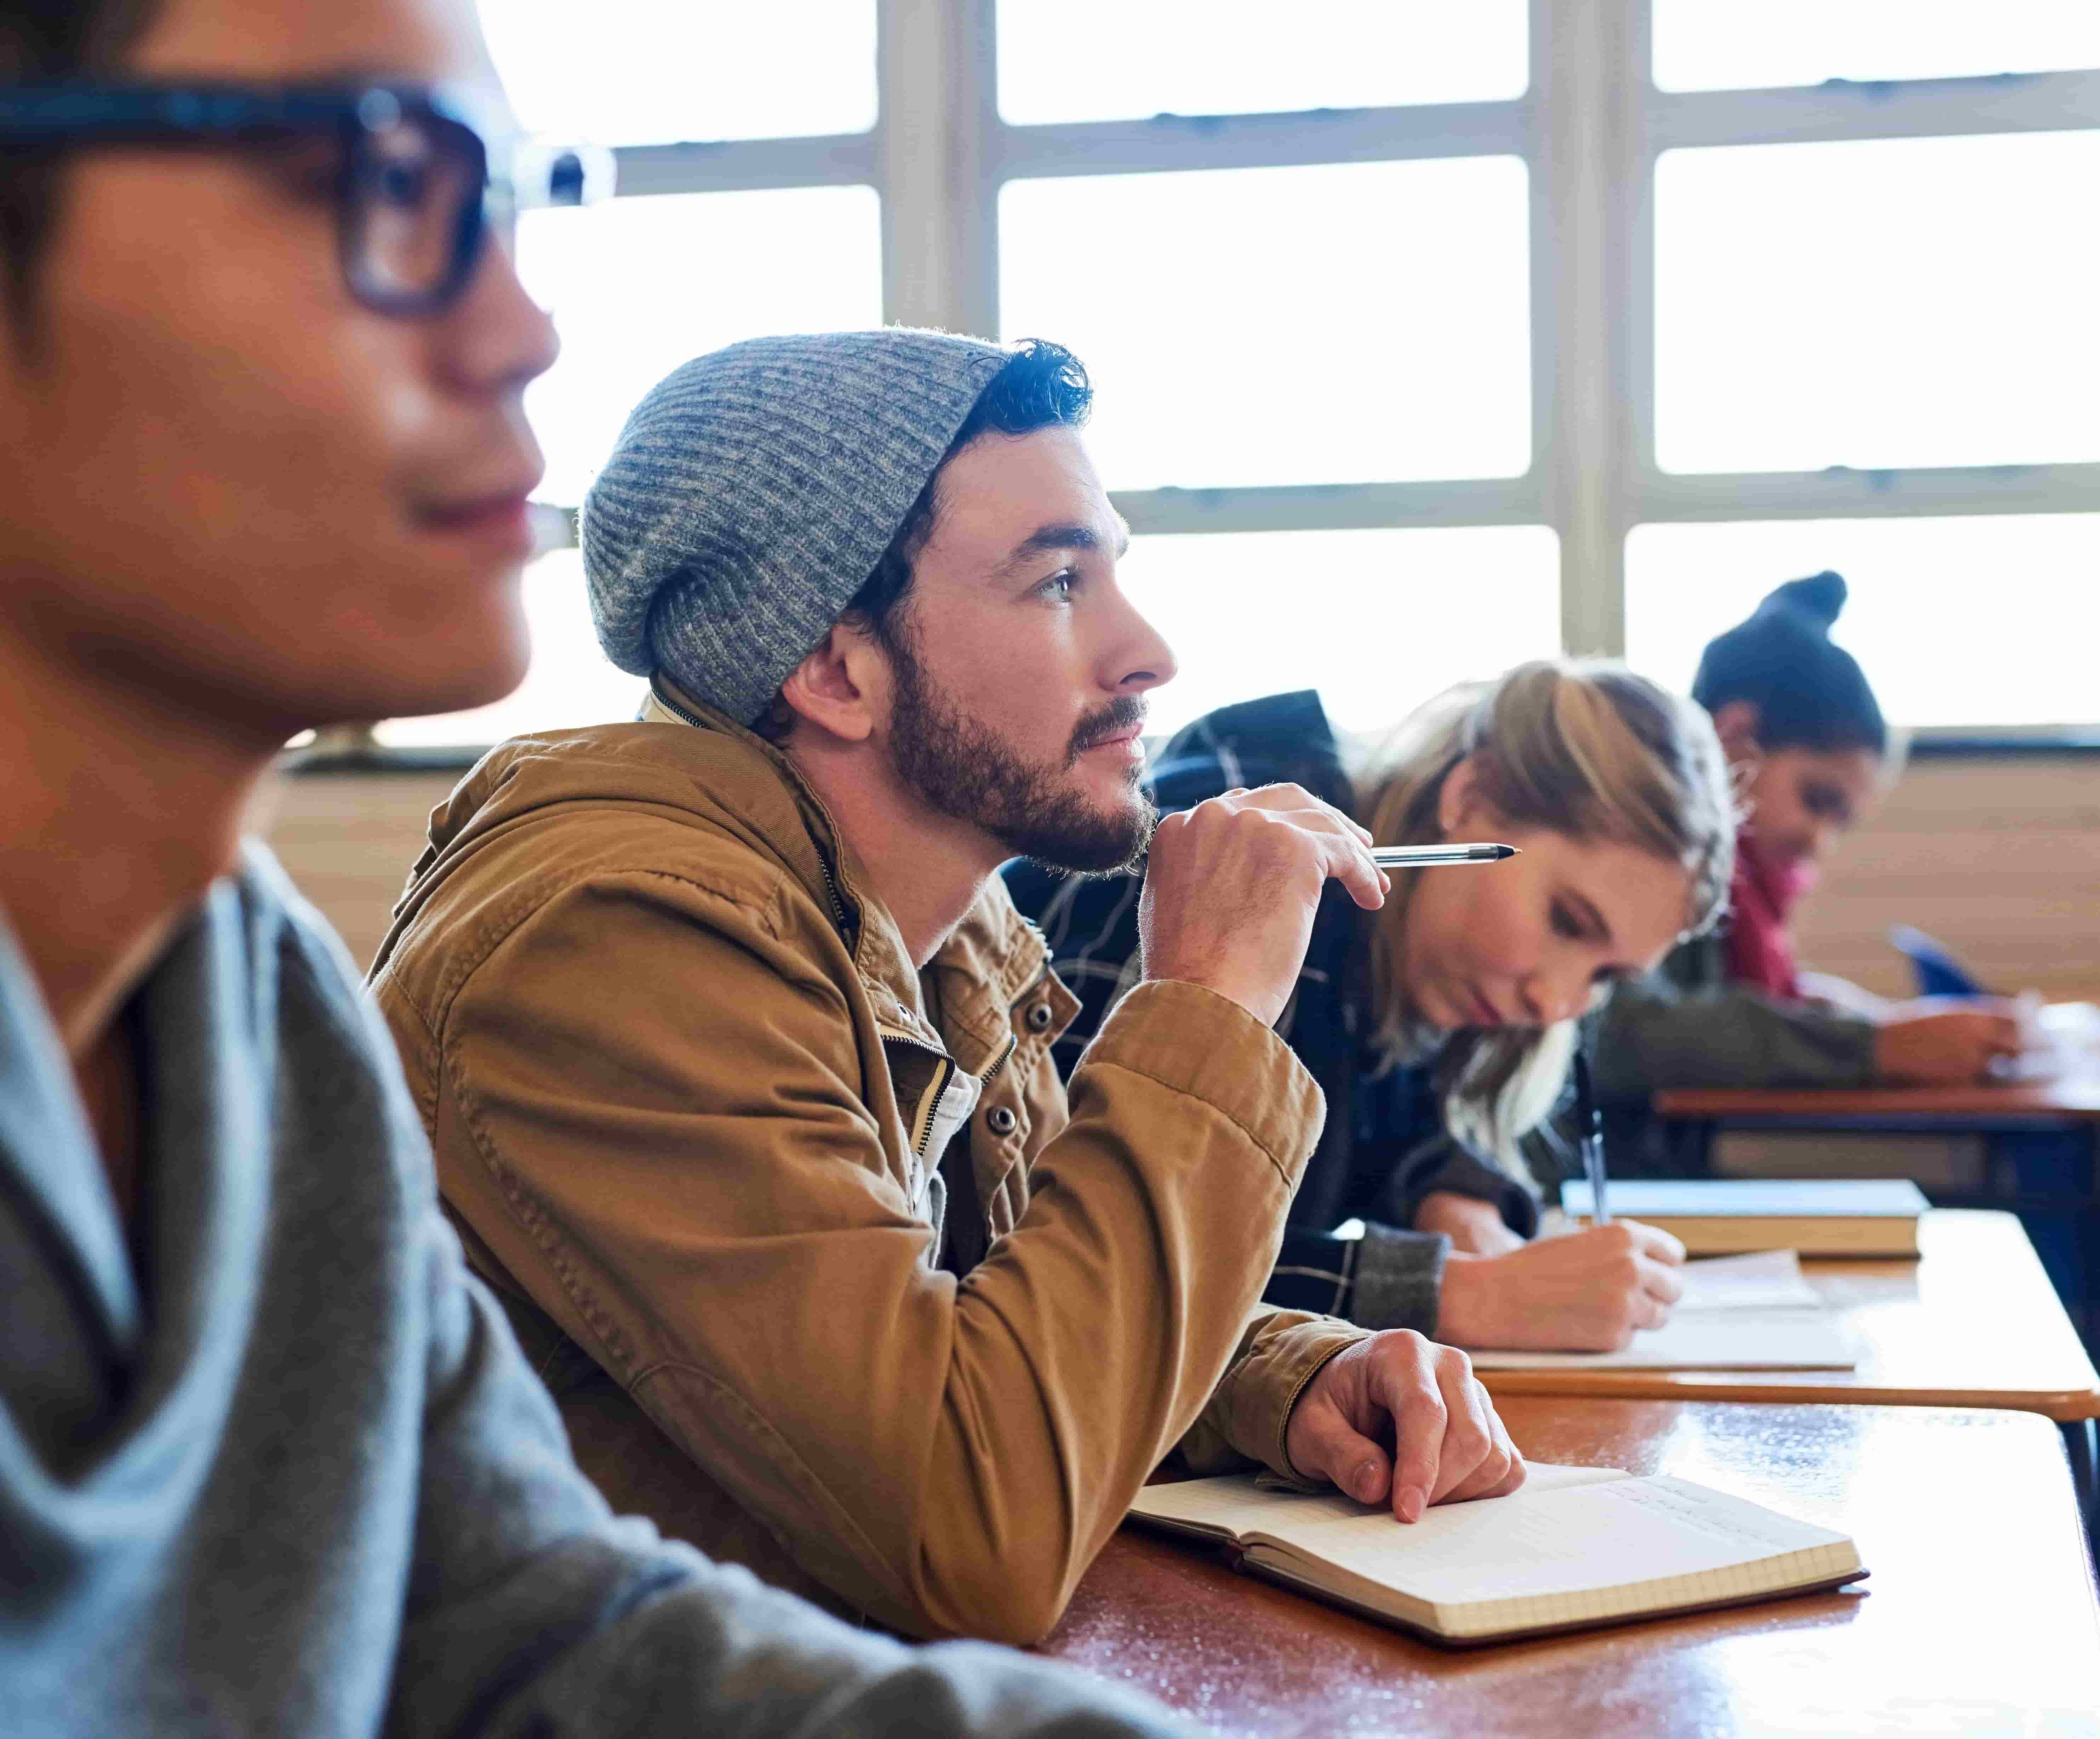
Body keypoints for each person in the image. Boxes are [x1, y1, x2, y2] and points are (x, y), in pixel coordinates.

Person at [0, 0, 1201, 1731]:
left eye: (516, 200)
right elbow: (957, 1491)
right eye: (379, 181)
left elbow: (517, 1610)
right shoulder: (598, 921)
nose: (525, 325)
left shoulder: (245, 997)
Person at [368, 329, 1524, 1647]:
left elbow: (1001, 1323)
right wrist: (1205, 1008)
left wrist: (1290, 1377)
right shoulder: (619, 943)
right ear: (835, 669)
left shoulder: (937, 922)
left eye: (1114, 575)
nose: (1148, 652)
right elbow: (970, 1522)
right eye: (1053, 584)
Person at [1005, 665, 1736, 1354]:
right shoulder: (1241, 860)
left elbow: (1371, 1094)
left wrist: (1450, 1194)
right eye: (1569, 921)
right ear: (1471, 798)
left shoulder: (1408, 952)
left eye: (1607, 974)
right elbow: (1084, 1254)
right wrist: (1460, 1294)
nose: (1555, 1003)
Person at [1592, 573, 2020, 1111]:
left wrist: (1837, 1016)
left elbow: (1700, 1004)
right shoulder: (1632, 837)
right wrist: (1872, 1047)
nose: (1819, 843)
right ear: (1733, 736)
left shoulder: (1731, 885)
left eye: (1840, 822)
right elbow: (1625, 1029)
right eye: (1817, 800)